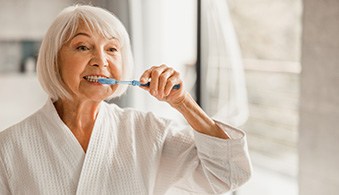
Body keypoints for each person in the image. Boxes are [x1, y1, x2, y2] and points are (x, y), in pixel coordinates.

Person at [0, 5, 251, 195]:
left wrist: (182, 102)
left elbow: (228, 173)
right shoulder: (9, 147)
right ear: (54, 59)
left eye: (111, 49)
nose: (102, 60)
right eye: (82, 47)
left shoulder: (148, 131)